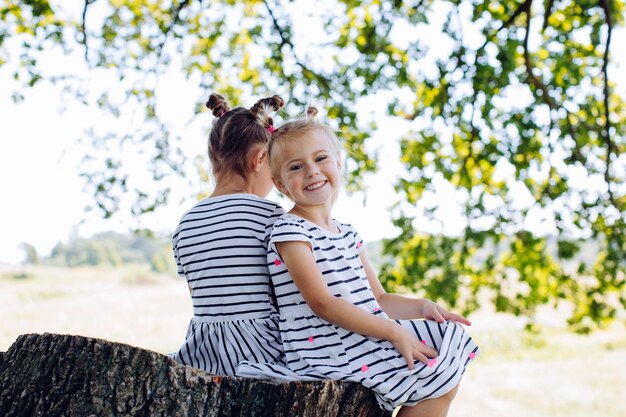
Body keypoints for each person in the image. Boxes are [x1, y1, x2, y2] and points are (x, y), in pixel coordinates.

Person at [243, 106, 479, 417]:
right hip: (327, 348)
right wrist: (394, 332)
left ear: (338, 163)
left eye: (320, 158)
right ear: (282, 184)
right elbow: (322, 303)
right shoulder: (291, 231)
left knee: (446, 352)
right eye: (296, 167)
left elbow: (379, 299)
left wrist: (421, 307)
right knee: (434, 370)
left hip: (360, 333)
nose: (312, 171)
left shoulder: (348, 234)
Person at [170, 93, 288, 376]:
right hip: (262, 351)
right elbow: (286, 295)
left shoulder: (185, 224)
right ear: (260, 159)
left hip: (204, 354)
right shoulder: (270, 215)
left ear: (213, 159)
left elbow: (204, 296)